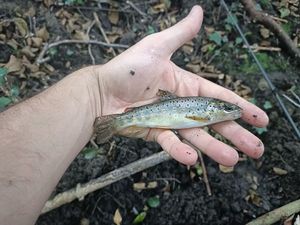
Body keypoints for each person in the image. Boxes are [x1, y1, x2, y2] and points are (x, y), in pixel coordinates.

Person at [0, 5, 268, 225]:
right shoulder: (205, 112)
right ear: (214, 109)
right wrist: (99, 91)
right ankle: (115, 122)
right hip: (150, 112)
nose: (231, 112)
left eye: (229, 110)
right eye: (227, 109)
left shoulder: (207, 111)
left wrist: (96, 92)